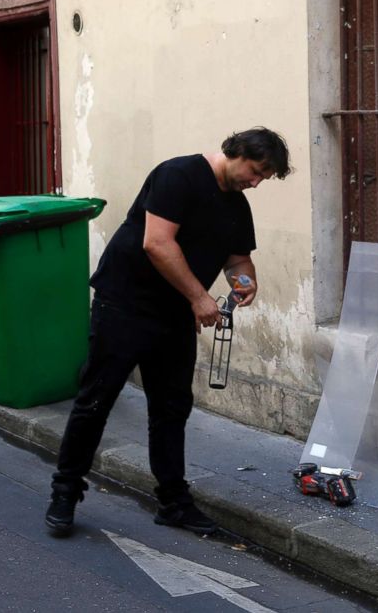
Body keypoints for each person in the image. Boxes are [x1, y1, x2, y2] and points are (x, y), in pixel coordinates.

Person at [45, 127, 291, 536]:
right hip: (125, 304)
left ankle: (173, 502)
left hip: (174, 316)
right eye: (256, 170)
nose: (256, 181)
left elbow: (238, 259)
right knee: (96, 400)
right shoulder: (177, 175)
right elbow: (157, 243)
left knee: (172, 409)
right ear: (235, 151)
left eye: (264, 177)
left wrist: (244, 280)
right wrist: (198, 297)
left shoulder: (237, 206)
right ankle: (65, 491)